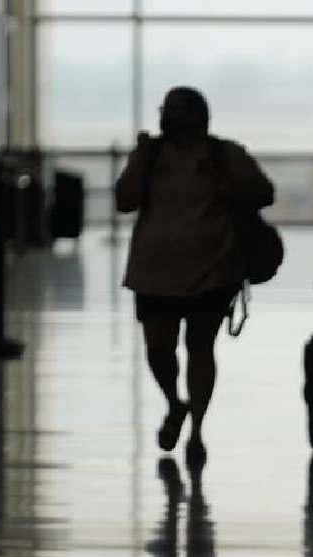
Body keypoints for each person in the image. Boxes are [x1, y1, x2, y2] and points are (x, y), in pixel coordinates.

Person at [115, 87, 275, 477]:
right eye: (164, 110)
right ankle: (174, 402)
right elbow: (125, 199)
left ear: (198, 116)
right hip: (154, 272)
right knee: (159, 350)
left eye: (175, 112)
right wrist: (139, 157)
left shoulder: (224, 155)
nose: (167, 118)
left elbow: (263, 192)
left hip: (213, 270)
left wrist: (225, 182)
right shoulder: (151, 156)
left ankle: (197, 429)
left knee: (200, 347)